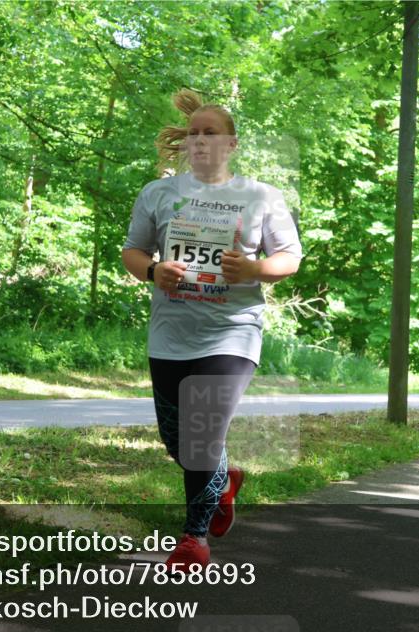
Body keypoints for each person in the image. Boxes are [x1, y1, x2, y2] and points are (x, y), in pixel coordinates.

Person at [121, 89, 303, 572]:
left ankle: (193, 539)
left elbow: (290, 258)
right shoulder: (158, 193)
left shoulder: (261, 196)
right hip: (170, 334)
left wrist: (255, 269)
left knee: (201, 433)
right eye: (194, 134)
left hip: (232, 332)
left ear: (232, 144)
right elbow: (132, 251)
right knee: (177, 440)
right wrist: (152, 271)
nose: (200, 140)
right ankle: (222, 480)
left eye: (211, 133)